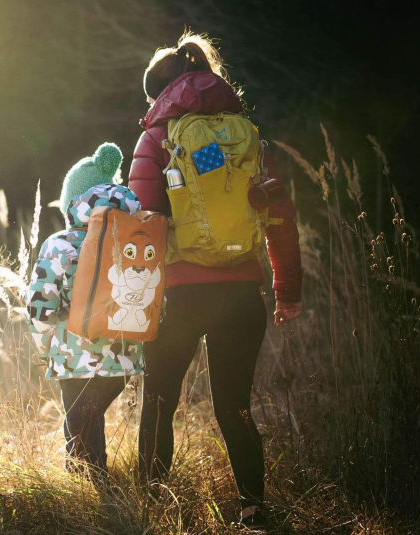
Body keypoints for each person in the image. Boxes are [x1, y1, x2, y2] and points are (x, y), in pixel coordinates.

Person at [127, 31, 303, 528]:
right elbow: (280, 219)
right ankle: (253, 508)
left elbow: (142, 222)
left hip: (181, 297)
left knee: (160, 398)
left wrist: (132, 300)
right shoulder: (246, 136)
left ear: (160, 95)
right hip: (242, 294)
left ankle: (152, 507)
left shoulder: (157, 139)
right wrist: (287, 292)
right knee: (234, 406)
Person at [26, 142, 144, 486]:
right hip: (123, 357)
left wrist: (43, 350)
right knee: (89, 420)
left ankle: (94, 498)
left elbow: (40, 307)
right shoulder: (135, 238)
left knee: (80, 426)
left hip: (73, 358)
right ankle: (95, 489)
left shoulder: (59, 244)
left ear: (72, 203)